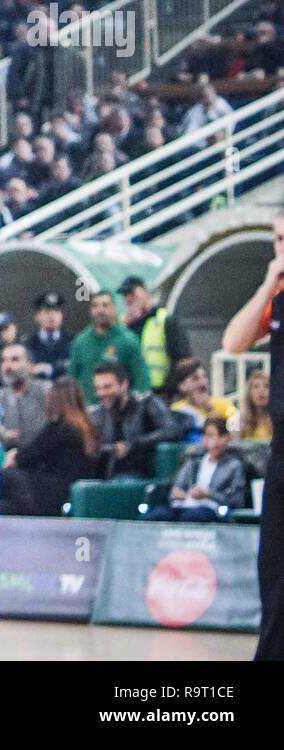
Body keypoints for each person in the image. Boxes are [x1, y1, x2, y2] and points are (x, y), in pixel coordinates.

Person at [222, 213, 284, 661]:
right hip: (281, 449)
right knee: (274, 566)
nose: (282, 245)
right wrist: (267, 284)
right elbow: (234, 342)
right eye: (278, 238)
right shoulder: (277, 295)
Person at [0, 376, 97, 517]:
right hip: (71, 487)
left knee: (5, 475)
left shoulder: (60, 428)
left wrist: (13, 455)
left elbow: (28, 456)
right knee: (7, 506)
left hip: (54, 491)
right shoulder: (88, 426)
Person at [88, 359, 182, 478]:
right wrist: (113, 449)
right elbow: (91, 447)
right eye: (98, 388)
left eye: (107, 387)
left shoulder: (146, 403)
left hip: (142, 472)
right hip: (107, 476)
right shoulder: (96, 414)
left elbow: (171, 430)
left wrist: (133, 444)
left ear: (124, 384)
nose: (101, 393)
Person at [146, 417, 248, 522]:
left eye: (219, 436)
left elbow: (237, 499)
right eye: (210, 436)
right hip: (183, 505)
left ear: (227, 439)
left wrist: (209, 494)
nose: (215, 442)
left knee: (192, 517)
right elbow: (176, 488)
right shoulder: (193, 462)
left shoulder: (234, 465)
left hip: (210, 507)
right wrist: (176, 493)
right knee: (156, 515)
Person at [69, 291, 150, 404]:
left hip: (118, 414)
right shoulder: (81, 342)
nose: (100, 310)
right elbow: (72, 379)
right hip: (88, 413)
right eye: (95, 306)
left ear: (114, 309)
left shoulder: (128, 341)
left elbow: (141, 382)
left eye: (105, 305)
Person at [118, 276, 191, 399]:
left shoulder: (165, 321)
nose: (128, 298)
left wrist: (169, 391)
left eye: (132, 293)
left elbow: (181, 359)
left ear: (145, 293)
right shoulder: (122, 326)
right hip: (130, 394)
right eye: (125, 295)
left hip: (159, 392)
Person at [0, 342, 50, 451]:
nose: (7, 366)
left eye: (15, 359)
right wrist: (2, 435)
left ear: (30, 366)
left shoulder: (46, 392)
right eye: (3, 361)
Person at [167, 357, 236, 442]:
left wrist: (209, 409)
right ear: (182, 386)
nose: (203, 383)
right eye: (195, 379)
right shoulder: (177, 410)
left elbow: (236, 434)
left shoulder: (225, 404)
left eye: (204, 377)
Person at [23, 290, 71, 380]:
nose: (52, 316)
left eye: (56, 311)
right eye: (47, 311)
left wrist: (49, 369)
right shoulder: (28, 343)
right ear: (37, 316)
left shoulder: (72, 341)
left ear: (61, 316)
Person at [231, 370, 273, 442]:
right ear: (249, 393)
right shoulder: (239, 420)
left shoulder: (279, 420)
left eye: (266, 386)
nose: (261, 390)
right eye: (255, 387)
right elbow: (234, 445)